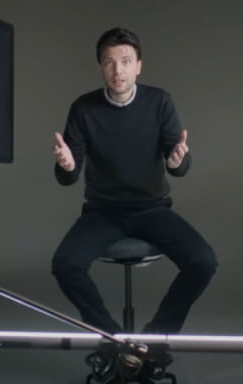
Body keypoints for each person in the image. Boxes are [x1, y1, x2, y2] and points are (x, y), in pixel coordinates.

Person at [51, 27, 217, 338]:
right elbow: (67, 176)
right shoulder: (83, 108)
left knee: (203, 262)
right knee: (65, 265)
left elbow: (179, 164)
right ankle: (112, 339)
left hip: (153, 209)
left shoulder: (159, 102)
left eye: (126, 61)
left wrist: (177, 162)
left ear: (138, 66)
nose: (118, 70)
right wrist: (68, 166)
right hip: (102, 212)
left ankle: (155, 340)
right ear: (101, 67)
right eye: (109, 62)